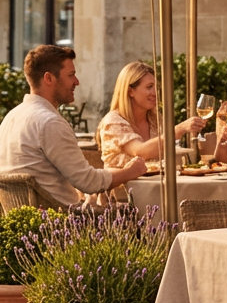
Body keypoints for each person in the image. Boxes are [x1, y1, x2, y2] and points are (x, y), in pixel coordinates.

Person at [0, 45, 147, 205]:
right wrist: (131, 171)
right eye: (71, 75)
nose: (77, 82)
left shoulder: (10, 118)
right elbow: (89, 182)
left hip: (22, 223)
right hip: (62, 222)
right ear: (49, 78)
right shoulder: (49, 122)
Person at [98, 61, 204, 170]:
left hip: (156, 186)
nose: (155, 93)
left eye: (155, 87)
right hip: (125, 186)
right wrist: (178, 129)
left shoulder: (155, 118)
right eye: (149, 87)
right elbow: (139, 152)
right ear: (130, 91)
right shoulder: (113, 121)